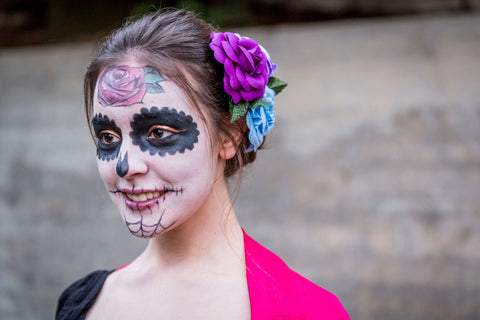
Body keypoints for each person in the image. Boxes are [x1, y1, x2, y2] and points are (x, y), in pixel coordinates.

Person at [56, 9, 350, 320]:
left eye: (158, 132)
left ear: (229, 136)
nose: (124, 165)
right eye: (107, 137)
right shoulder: (84, 303)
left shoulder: (309, 311)